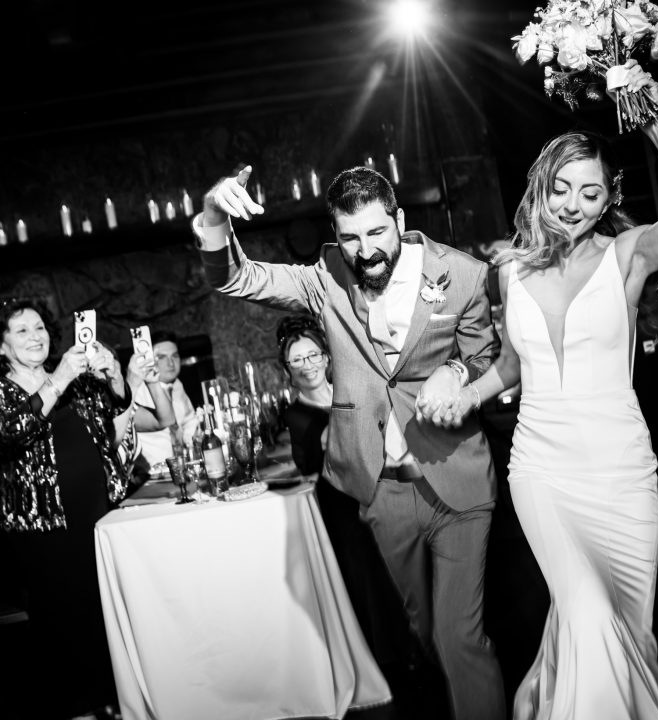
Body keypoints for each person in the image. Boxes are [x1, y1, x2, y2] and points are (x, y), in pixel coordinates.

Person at [419, 62, 658, 719]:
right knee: (586, 615)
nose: (572, 205)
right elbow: (515, 362)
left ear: (610, 196)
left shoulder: (628, 254)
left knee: (628, 634)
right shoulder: (514, 268)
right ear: (543, 189)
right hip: (543, 470)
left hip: (621, 473)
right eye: (561, 190)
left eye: (589, 193)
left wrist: (650, 116)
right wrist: (469, 392)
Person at [194, 165, 506, 720]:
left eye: (377, 233)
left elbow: (486, 358)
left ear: (399, 221)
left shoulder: (462, 274)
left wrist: (456, 372)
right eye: (351, 237)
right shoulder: (325, 277)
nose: (366, 250)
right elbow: (236, 279)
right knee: (424, 630)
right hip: (381, 489)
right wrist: (215, 218)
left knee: (462, 636)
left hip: (455, 478)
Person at [0, 298, 131, 719]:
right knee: (63, 619)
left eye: (39, 328)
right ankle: (80, 708)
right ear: (2, 345)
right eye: (21, 331)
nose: (35, 336)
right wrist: (58, 379)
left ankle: (117, 699)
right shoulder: (4, 388)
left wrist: (116, 377)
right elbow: (12, 430)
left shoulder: (73, 377)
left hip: (97, 515)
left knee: (104, 611)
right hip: (44, 530)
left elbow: (111, 409)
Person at [277, 314, 411, 668]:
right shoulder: (298, 415)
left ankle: (416, 652)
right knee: (370, 586)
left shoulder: (350, 392)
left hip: (385, 495)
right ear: (287, 370)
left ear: (326, 357)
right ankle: (389, 665)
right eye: (297, 360)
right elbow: (321, 455)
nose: (307, 366)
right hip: (343, 510)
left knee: (403, 579)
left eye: (313, 356)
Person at [97, 342, 177, 487]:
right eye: (102, 359)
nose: (110, 366)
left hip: (133, 492)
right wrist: (132, 384)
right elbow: (112, 440)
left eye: (112, 358)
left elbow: (165, 420)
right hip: (108, 500)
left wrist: (153, 383)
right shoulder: (89, 411)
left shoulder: (122, 406)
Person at [134, 330, 198, 467]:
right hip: (153, 473)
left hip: (183, 466)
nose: (171, 363)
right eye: (162, 357)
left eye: (175, 356)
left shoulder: (177, 385)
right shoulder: (136, 391)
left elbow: (189, 422)